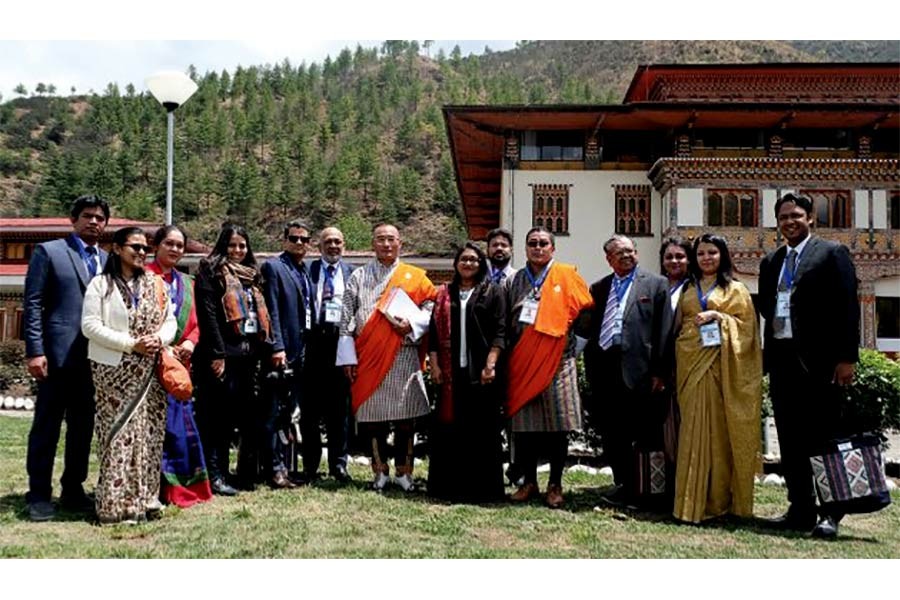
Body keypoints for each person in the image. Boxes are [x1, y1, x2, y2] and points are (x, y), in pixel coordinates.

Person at [759, 193, 860, 539]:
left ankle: (830, 513)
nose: (790, 221)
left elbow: (849, 305)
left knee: (823, 439)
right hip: (783, 361)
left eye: (796, 215)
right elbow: (768, 308)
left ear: (810, 218)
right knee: (791, 439)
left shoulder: (831, 254)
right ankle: (799, 508)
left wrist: (847, 357)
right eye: (784, 216)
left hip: (821, 364)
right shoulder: (771, 261)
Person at [23, 194, 110, 521]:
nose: (93, 222)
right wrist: (35, 350)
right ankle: (39, 494)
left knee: (82, 428)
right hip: (56, 358)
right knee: (46, 427)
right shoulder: (50, 252)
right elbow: (32, 303)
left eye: (100, 218)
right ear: (73, 220)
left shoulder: (106, 259)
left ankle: (73, 488)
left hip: (95, 360)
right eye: (87, 216)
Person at [81, 226, 177, 524]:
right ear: (118, 249)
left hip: (149, 371)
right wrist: (130, 344)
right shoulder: (101, 284)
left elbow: (170, 321)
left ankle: (146, 500)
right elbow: (90, 326)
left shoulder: (156, 284)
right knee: (118, 436)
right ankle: (115, 507)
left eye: (144, 248)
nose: (141, 252)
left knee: (148, 435)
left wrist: (159, 339)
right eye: (134, 247)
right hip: (113, 371)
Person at [337, 223, 437, 492]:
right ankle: (379, 472)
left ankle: (405, 473)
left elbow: (432, 307)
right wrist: (348, 359)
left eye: (391, 239)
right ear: (373, 244)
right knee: (374, 419)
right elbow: (346, 318)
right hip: (368, 356)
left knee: (406, 419)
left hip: (402, 354)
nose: (386, 244)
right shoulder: (358, 276)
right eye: (380, 239)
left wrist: (413, 324)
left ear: (400, 243)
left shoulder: (415, 277)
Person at [672, 233, 761, 524]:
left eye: (712, 252)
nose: (706, 258)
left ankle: (720, 501)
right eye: (701, 254)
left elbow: (747, 331)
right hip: (690, 365)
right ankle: (688, 504)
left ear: (722, 255)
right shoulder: (687, 287)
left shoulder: (735, 289)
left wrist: (719, 318)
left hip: (721, 370)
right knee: (691, 432)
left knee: (718, 436)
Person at [506, 227, 593, 508]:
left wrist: (575, 346)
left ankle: (555, 484)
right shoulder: (517, 279)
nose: (538, 248)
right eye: (532, 243)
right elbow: (508, 320)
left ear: (552, 248)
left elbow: (587, 311)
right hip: (524, 361)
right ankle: (529, 482)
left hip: (559, 361)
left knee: (558, 425)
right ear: (525, 248)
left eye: (544, 243)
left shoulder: (567, 275)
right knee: (526, 426)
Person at [583, 235, 672, 508]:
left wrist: (660, 371)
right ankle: (623, 485)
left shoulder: (656, 284)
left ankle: (650, 489)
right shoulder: (598, 288)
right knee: (614, 432)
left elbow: (663, 330)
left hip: (642, 370)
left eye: (630, 251)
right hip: (606, 370)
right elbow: (589, 329)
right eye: (619, 253)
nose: (626, 256)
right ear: (608, 258)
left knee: (646, 432)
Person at [194, 224, 271, 496]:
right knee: (218, 419)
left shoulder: (253, 276)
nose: (237, 250)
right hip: (222, 356)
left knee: (242, 417)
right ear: (222, 246)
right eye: (232, 245)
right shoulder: (210, 272)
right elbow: (209, 316)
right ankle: (215, 474)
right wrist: (217, 354)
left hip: (248, 356)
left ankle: (239, 474)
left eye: (242, 245)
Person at [427, 242, 507, 503]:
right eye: (464, 259)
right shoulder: (444, 294)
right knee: (450, 431)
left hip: (481, 374)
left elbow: (501, 331)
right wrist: (435, 365)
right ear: (456, 263)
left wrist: (491, 364)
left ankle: (482, 490)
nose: (469, 263)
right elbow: (434, 335)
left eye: (474, 260)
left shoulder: (492, 292)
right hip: (450, 375)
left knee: (481, 432)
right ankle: (448, 488)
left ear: (481, 264)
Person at [146, 225, 213, 507]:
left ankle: (182, 488)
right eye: (169, 244)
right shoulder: (144, 277)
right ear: (156, 245)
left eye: (179, 245)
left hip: (180, 364)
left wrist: (190, 344)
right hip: (149, 362)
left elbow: (196, 324)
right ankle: (152, 488)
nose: (174, 249)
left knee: (180, 427)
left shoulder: (188, 283)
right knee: (153, 428)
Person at [260, 221, 315, 488]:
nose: (300, 243)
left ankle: (289, 467)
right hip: (282, 353)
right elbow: (272, 310)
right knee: (274, 412)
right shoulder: (274, 267)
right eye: (294, 238)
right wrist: (277, 347)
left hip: (302, 352)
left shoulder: (304, 270)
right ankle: (274, 469)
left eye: (305, 239)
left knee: (290, 413)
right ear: (284, 240)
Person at [305, 226, 354, 483]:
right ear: (319, 246)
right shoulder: (307, 270)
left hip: (341, 347)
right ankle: (311, 465)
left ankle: (339, 464)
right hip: (313, 347)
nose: (333, 246)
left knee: (339, 412)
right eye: (328, 242)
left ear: (343, 244)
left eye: (337, 241)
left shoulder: (353, 273)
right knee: (310, 411)